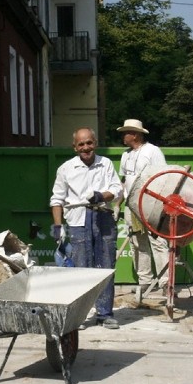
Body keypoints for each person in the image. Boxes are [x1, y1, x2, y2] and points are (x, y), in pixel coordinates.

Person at [50, 128, 123, 329]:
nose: (86, 148)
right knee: (80, 268)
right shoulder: (66, 168)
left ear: (95, 143)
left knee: (106, 266)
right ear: (75, 147)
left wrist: (101, 196)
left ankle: (105, 314)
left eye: (89, 143)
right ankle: (79, 315)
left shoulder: (105, 164)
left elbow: (117, 189)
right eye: (81, 144)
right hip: (77, 220)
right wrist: (57, 226)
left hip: (103, 218)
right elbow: (57, 200)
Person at [116, 118, 170, 296]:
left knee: (158, 242)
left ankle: (165, 283)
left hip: (150, 204)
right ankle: (145, 281)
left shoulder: (153, 151)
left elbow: (163, 176)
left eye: (126, 133)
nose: (123, 136)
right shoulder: (126, 155)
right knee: (137, 243)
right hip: (131, 205)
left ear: (136, 135)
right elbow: (123, 181)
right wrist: (118, 203)